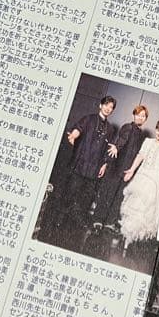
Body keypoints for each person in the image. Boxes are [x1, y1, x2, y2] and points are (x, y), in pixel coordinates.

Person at [53, 96, 116, 240]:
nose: (108, 108)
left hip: (94, 170)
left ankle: (73, 231)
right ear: (100, 105)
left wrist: (104, 165)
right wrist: (74, 135)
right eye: (106, 105)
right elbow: (78, 129)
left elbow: (107, 149)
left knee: (84, 201)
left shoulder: (110, 129)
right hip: (80, 166)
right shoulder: (89, 119)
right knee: (69, 195)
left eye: (111, 107)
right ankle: (58, 224)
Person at [119, 114, 159, 248]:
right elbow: (140, 156)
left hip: (154, 181)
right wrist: (131, 170)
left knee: (146, 211)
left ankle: (136, 240)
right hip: (142, 176)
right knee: (134, 206)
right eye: (158, 129)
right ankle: (127, 237)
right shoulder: (148, 141)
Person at [93, 104, 149, 230]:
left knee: (119, 197)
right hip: (117, 166)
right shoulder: (128, 127)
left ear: (145, 119)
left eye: (143, 116)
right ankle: (98, 220)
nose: (140, 118)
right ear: (134, 115)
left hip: (127, 169)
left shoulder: (141, 134)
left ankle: (109, 222)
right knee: (108, 194)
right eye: (138, 115)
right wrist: (116, 148)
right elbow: (122, 140)